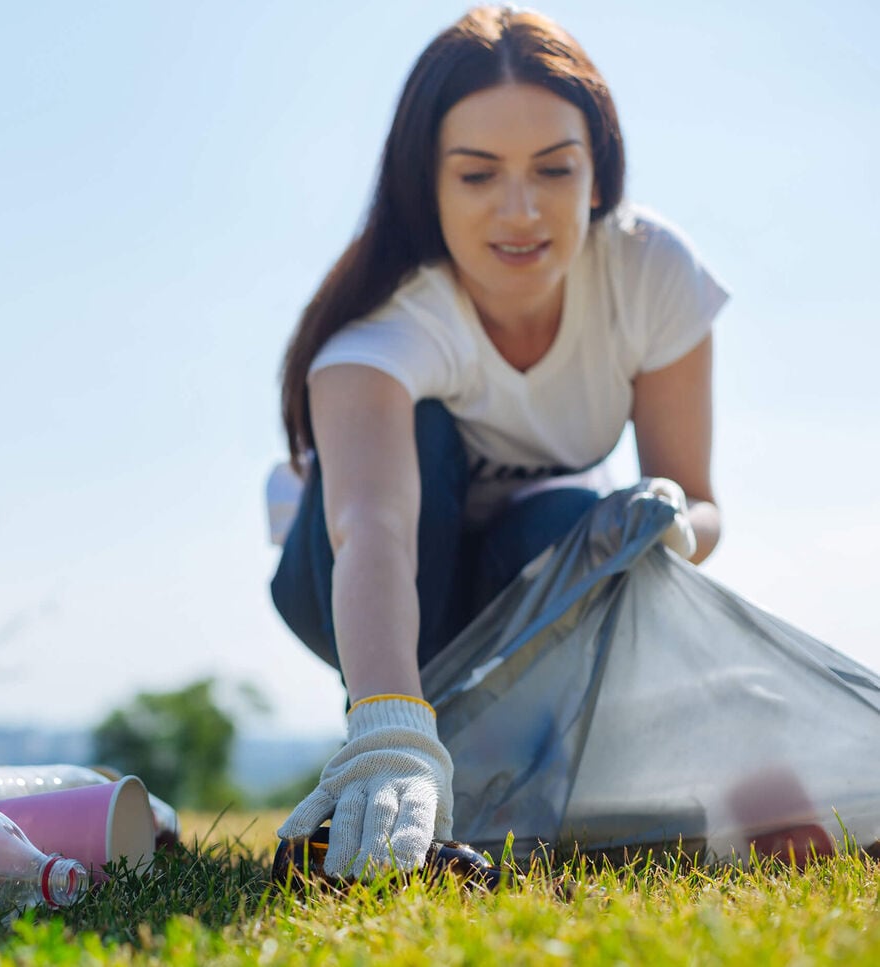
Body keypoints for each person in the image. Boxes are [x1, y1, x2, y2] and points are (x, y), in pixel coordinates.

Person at [270, 6, 727, 877]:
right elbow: (372, 526)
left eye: (554, 169)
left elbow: (699, 498)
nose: (520, 212)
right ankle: (398, 762)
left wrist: (666, 524)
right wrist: (388, 727)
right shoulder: (384, 329)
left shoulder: (651, 274)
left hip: (517, 576)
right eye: (478, 175)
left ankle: (505, 792)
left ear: (598, 173)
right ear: (426, 187)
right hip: (353, 582)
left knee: (573, 514)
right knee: (429, 434)